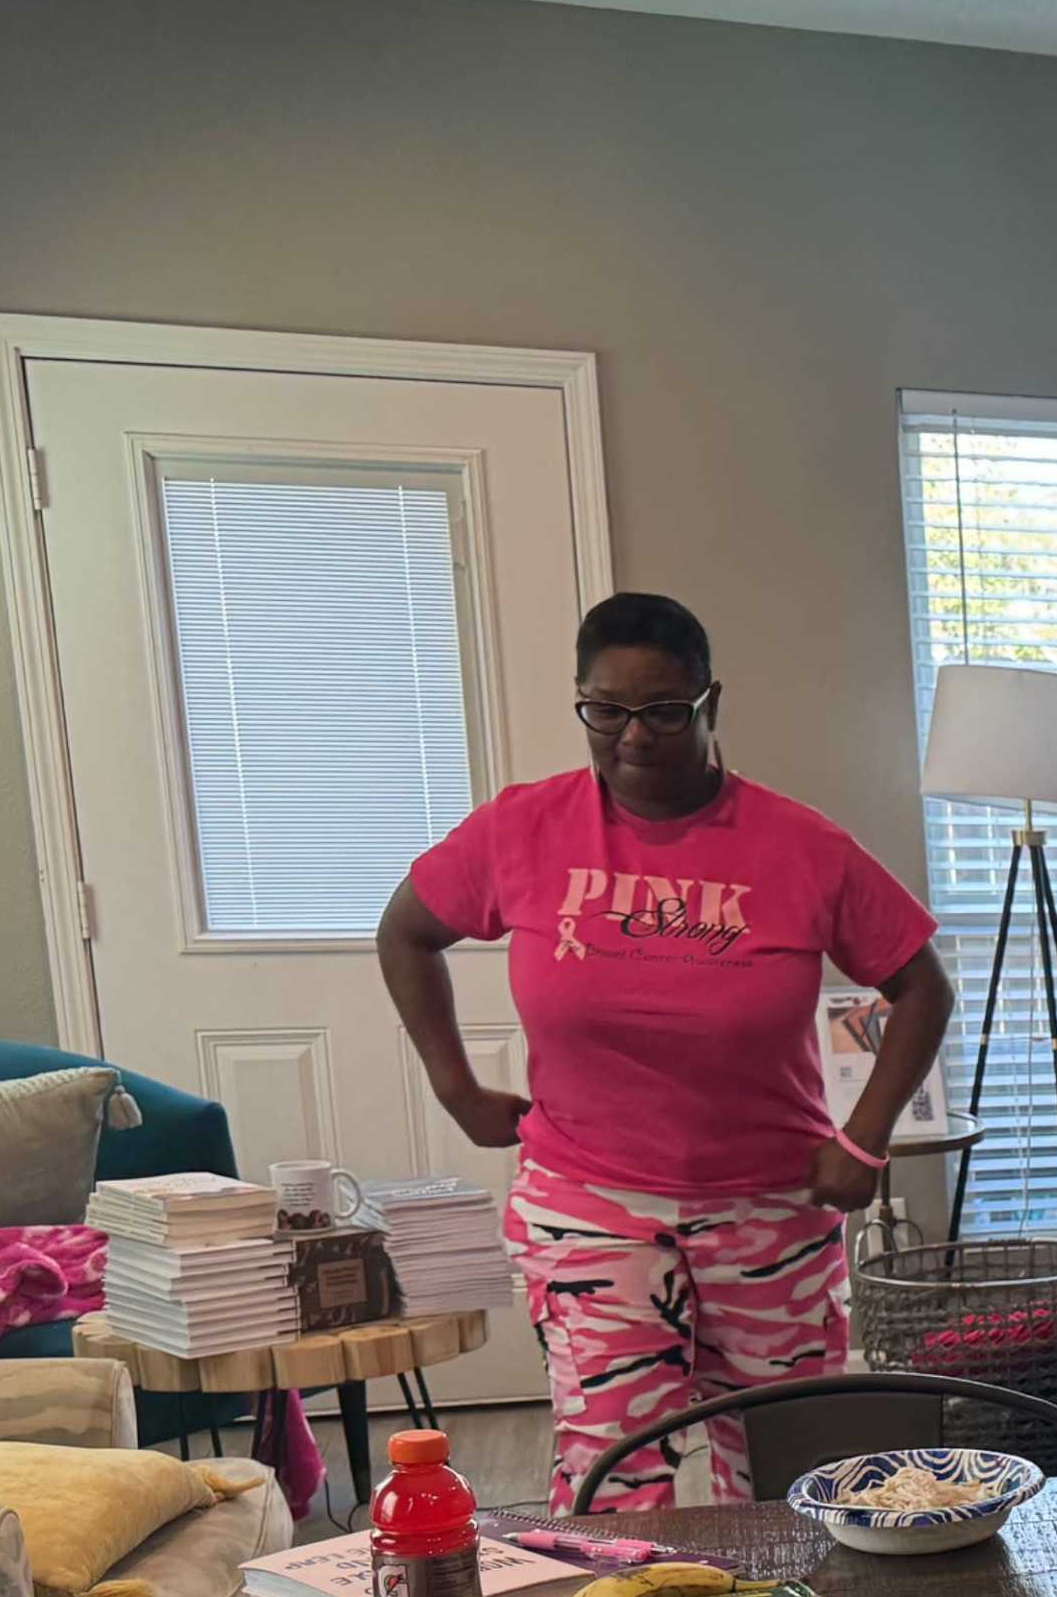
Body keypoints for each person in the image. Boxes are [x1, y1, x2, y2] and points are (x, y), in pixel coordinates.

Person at [378, 592, 953, 1509]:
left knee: (788, 1470)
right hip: (588, 1199)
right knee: (612, 1468)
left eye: (663, 711)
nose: (633, 736)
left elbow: (922, 985)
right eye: (605, 711)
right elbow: (405, 931)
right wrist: (456, 1089)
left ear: (710, 703)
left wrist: (865, 1139)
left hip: (771, 1204)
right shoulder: (526, 827)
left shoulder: (800, 845)